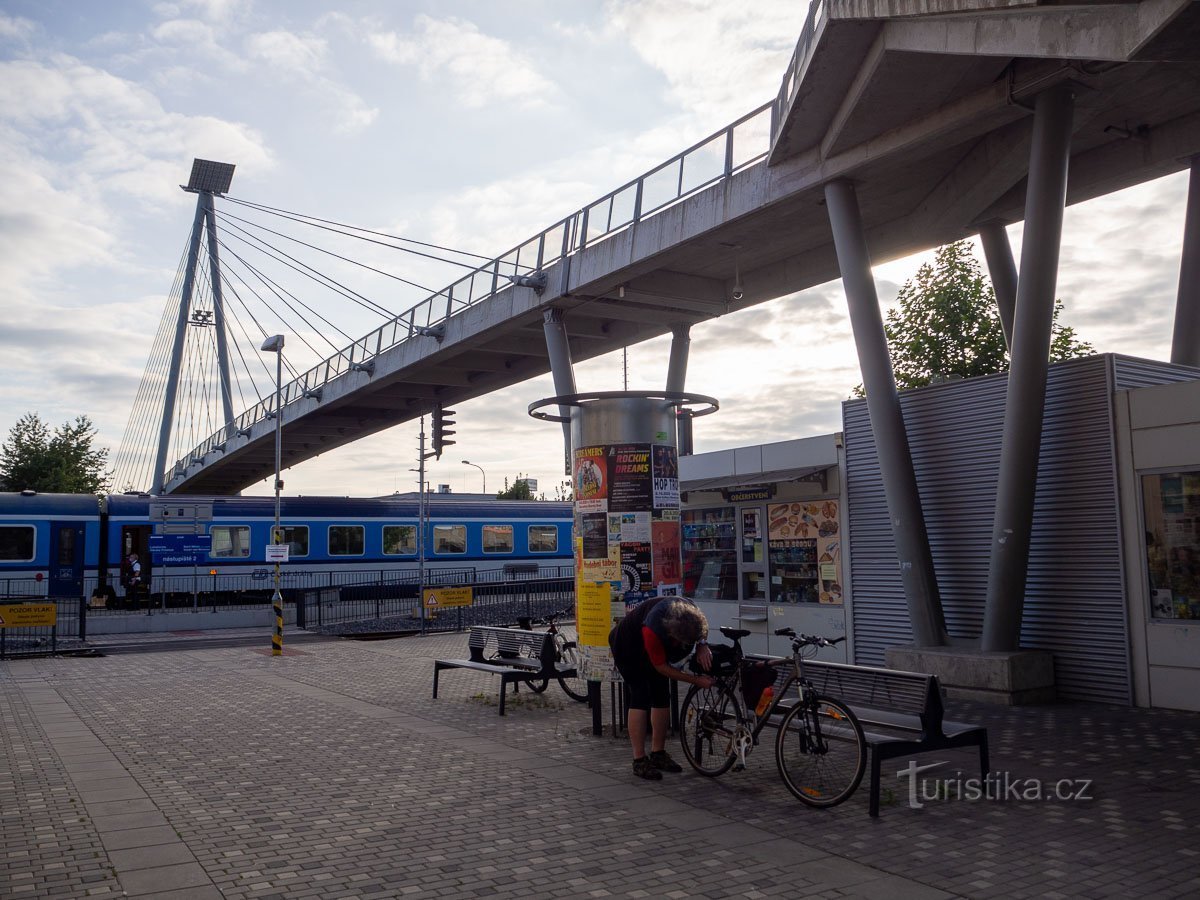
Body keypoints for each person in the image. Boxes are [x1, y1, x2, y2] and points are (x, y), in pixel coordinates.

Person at [609, 596, 714, 780]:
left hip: (654, 646)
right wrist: (696, 681)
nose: (679, 647)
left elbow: (702, 628)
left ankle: (658, 753)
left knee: (662, 695)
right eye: (677, 642)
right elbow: (661, 667)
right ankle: (639, 760)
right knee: (640, 695)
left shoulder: (693, 614)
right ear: (670, 632)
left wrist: (702, 646)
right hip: (628, 646)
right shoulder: (654, 626)